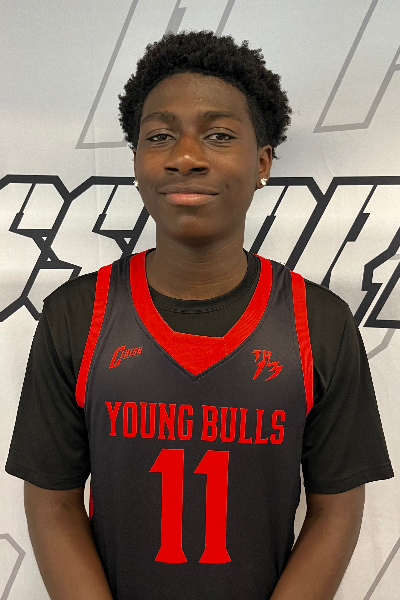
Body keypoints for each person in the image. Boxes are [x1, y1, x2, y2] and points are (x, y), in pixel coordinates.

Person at [5, 31, 393, 600]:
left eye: (219, 135)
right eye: (160, 136)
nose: (185, 157)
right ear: (137, 161)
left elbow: (336, 512)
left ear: (262, 162)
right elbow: (52, 502)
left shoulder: (320, 323)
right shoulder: (76, 316)